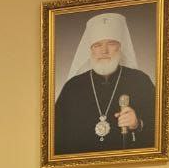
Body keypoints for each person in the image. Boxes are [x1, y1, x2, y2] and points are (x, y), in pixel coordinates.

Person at [54, 11, 156, 154]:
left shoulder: (140, 81)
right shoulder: (72, 87)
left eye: (111, 44)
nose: (104, 51)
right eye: (97, 45)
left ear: (120, 47)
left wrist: (137, 124)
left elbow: (162, 130)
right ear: (90, 50)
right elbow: (56, 139)